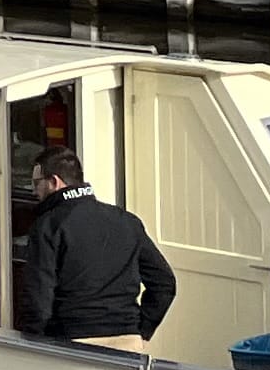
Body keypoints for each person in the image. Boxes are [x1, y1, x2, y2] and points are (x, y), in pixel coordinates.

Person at [15, 149, 182, 351]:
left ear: (54, 182)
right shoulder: (126, 221)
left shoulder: (48, 226)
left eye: (36, 183)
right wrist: (142, 330)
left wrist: (32, 343)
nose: (34, 191)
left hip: (73, 343)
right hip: (127, 342)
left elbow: (38, 296)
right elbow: (164, 282)